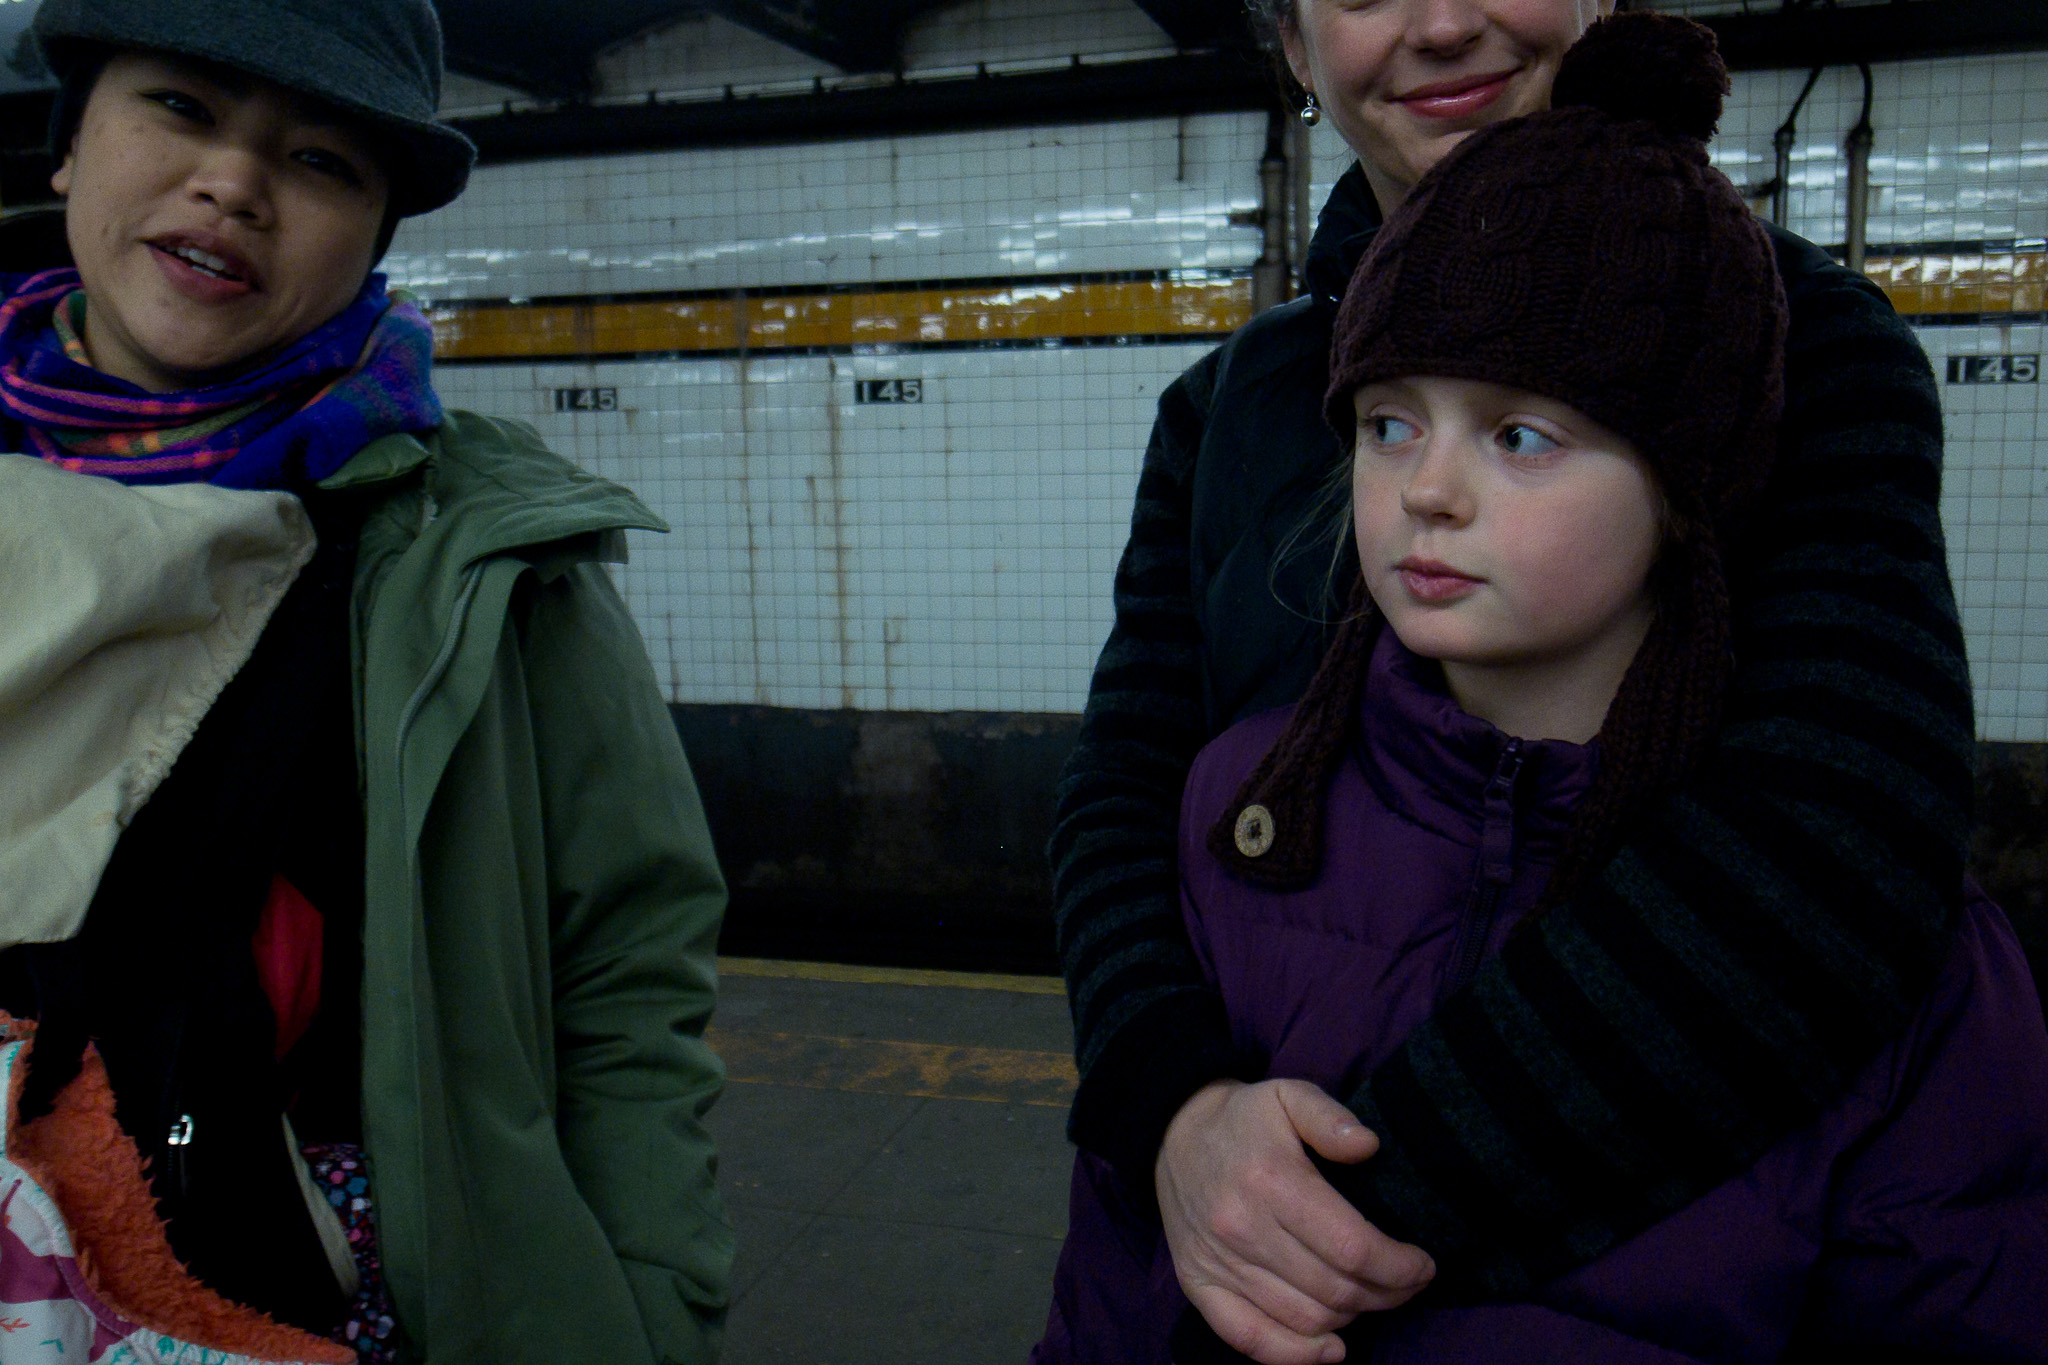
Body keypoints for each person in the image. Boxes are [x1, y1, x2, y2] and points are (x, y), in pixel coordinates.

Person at [1037, 16, 2048, 1363]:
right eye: (1387, 424)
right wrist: (1171, 1109)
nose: (1444, 18)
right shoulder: (1227, 409)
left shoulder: (1804, 348)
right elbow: (1126, 796)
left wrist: (1323, 1238)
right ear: (1292, 45)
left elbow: (1837, 840)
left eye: (1524, 433)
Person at [0, 2, 731, 1362]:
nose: (233, 182)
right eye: (181, 107)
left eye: (321, 161)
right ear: (69, 143)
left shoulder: (490, 564)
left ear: (375, 238)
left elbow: (626, 976)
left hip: (328, 1283)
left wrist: (651, 1303)